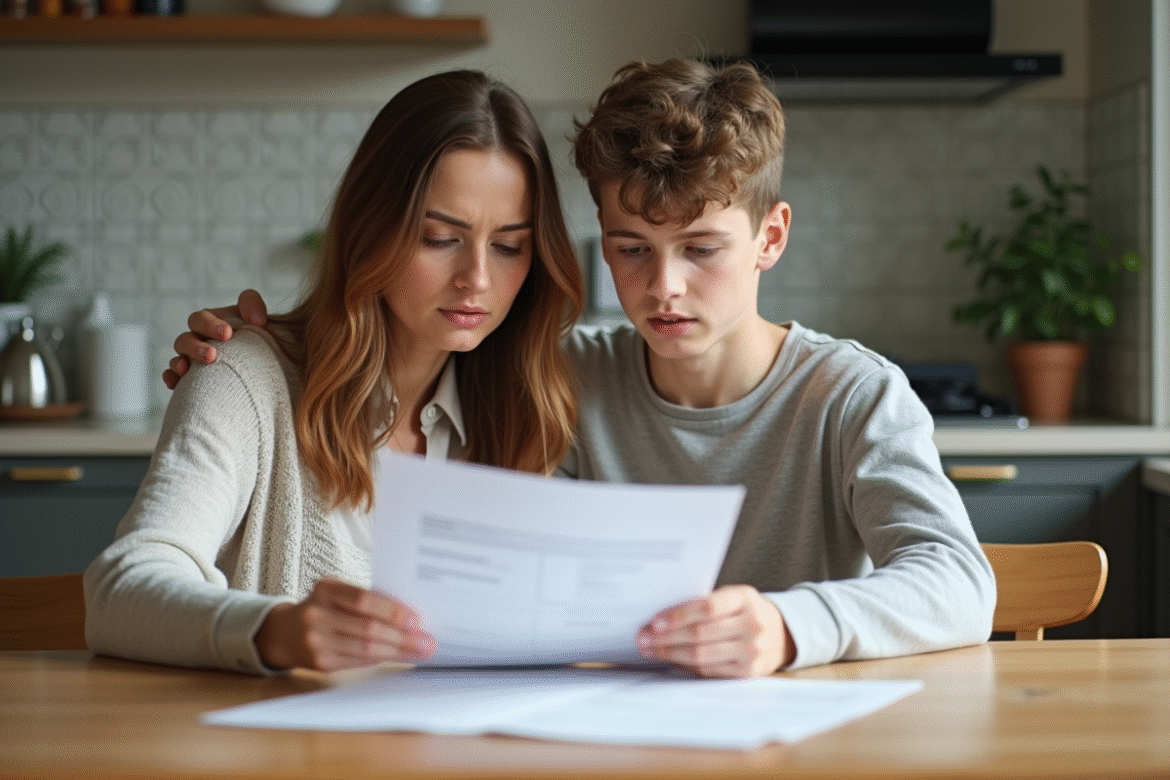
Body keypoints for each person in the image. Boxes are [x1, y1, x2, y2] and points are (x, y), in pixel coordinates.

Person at [167, 58, 995, 678]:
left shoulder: (853, 394)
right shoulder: (563, 374)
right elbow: (411, 334)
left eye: (701, 250)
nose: (663, 288)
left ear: (770, 238)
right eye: (631, 250)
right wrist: (243, 350)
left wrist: (786, 628)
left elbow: (959, 579)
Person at [85, 69, 584, 675]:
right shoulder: (243, 378)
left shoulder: (523, 407)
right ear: (372, 229)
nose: (477, 278)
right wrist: (276, 631)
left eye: (509, 246)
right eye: (438, 238)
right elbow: (120, 590)